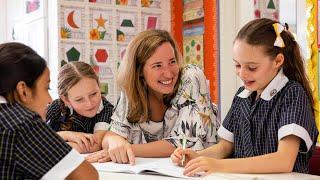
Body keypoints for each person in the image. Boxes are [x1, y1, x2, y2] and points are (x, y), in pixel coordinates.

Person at [171, 18, 319, 176]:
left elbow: (283, 161)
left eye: (252, 67)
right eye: (237, 65)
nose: (242, 73)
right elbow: (225, 147)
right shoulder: (242, 96)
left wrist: (217, 165)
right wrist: (198, 157)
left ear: (278, 61)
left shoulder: (292, 94)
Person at [86, 29, 218, 165]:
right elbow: (113, 134)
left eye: (172, 62)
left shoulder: (191, 76)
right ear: (139, 71)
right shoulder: (132, 89)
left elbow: (184, 142)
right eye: (157, 65)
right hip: (162, 170)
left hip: (207, 168)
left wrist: (127, 148)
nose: (168, 74)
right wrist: (115, 141)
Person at [0, 42, 98, 179]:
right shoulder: (22, 123)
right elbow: (87, 176)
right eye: (46, 88)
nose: (50, 100)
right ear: (23, 91)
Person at [46, 61, 114, 153]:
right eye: (79, 99)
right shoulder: (55, 108)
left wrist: (49, 146)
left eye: (93, 94)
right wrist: (66, 135)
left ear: (98, 85)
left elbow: (95, 145)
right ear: (66, 100)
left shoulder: (106, 109)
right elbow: (34, 140)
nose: (89, 104)